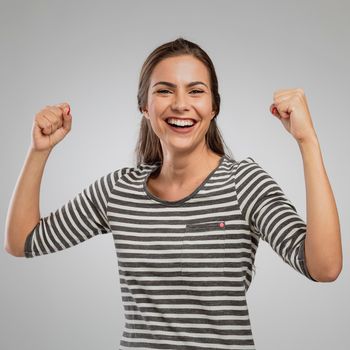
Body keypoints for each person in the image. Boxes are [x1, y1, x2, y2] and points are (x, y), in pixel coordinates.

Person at [5, 37, 342, 350]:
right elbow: (22, 242)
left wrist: (307, 141)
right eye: (165, 91)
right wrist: (39, 151)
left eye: (196, 91)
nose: (181, 105)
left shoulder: (243, 184)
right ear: (144, 107)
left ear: (213, 107)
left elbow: (324, 267)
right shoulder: (119, 190)